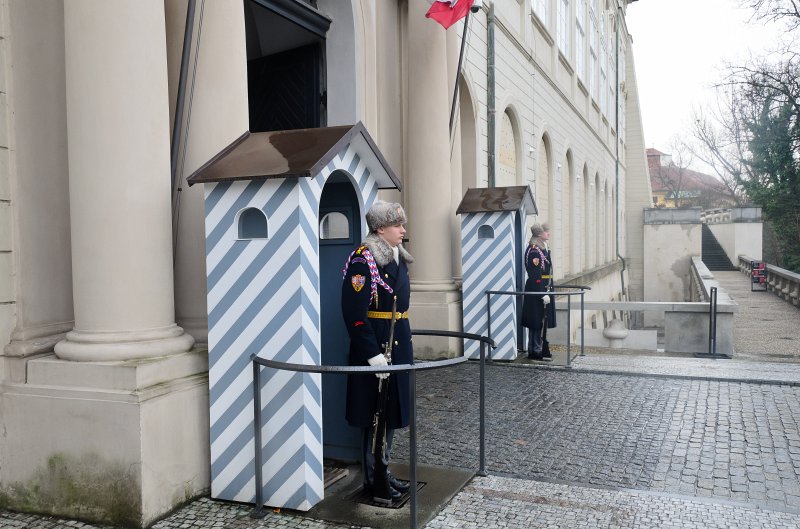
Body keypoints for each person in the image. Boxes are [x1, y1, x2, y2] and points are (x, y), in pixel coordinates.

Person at [341, 200, 413, 503]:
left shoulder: (396, 256)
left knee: (391, 413)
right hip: (377, 349)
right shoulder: (363, 260)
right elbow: (353, 313)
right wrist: (372, 355)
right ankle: (374, 479)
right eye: (398, 225)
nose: (403, 230)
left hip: (397, 345)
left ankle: (384, 470)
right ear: (381, 228)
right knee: (374, 416)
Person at [521, 222, 556, 360]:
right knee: (535, 322)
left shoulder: (542, 248)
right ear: (539, 234)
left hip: (544, 288)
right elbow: (535, 275)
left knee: (541, 321)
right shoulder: (534, 250)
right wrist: (542, 293)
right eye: (545, 232)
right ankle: (535, 350)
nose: (548, 233)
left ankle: (538, 347)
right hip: (538, 290)